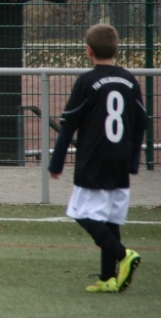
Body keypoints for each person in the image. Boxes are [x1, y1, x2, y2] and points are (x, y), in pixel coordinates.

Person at [49, 23, 147, 293]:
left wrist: (56, 163)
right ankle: (108, 278)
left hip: (94, 159)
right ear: (116, 49)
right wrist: (133, 161)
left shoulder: (87, 81)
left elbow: (68, 124)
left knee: (80, 213)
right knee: (110, 220)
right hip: (120, 161)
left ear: (88, 50)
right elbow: (141, 122)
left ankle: (123, 255)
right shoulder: (129, 80)